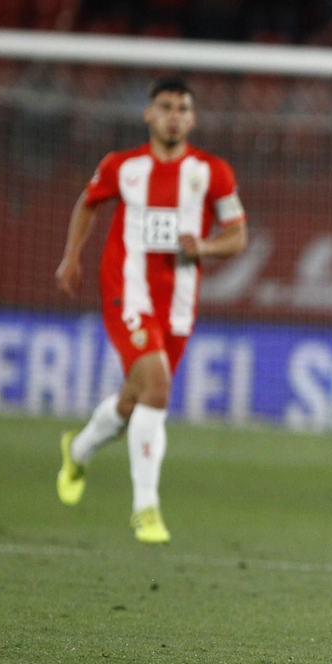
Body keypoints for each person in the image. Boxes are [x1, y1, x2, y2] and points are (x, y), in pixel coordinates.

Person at [53, 76, 248, 543]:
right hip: (127, 291)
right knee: (157, 388)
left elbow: (237, 237)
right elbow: (88, 205)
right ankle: (146, 508)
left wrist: (201, 245)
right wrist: (71, 255)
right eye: (165, 107)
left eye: (182, 108)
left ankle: (77, 451)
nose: (174, 115)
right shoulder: (122, 167)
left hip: (178, 303)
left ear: (193, 118)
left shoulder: (211, 172)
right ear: (148, 115)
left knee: (133, 400)